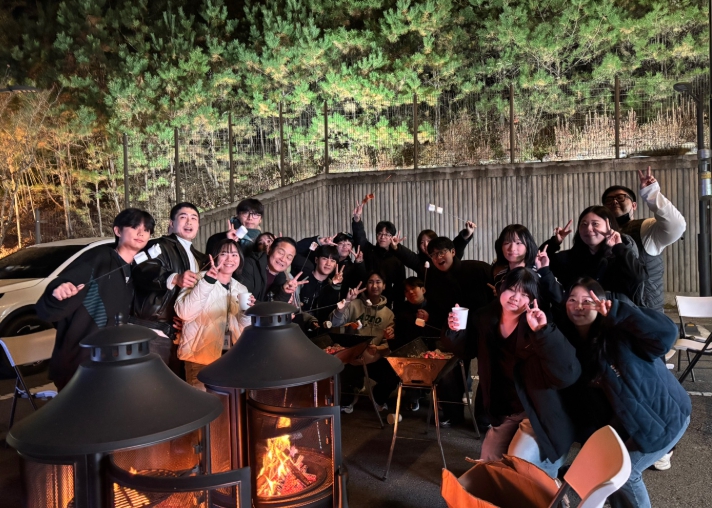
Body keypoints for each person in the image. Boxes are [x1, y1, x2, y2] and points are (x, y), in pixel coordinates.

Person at [556, 278, 690, 507]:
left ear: (601, 302)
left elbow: (667, 334)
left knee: (625, 476)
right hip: (631, 425)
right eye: (572, 300)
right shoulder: (573, 343)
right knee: (609, 474)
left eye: (587, 301)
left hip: (665, 418)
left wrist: (622, 312)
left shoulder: (620, 331)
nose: (579, 306)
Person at [443, 268, 581, 478]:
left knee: (519, 459)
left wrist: (543, 332)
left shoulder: (538, 323)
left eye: (525, 294)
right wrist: (455, 331)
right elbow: (467, 350)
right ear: (501, 289)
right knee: (488, 465)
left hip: (538, 412)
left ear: (532, 300)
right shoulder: (484, 318)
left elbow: (568, 373)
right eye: (512, 289)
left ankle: (549, 482)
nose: (516, 297)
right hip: (506, 411)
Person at [37, 208, 155, 390]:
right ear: (118, 231)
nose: (141, 233)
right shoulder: (99, 258)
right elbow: (59, 295)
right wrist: (58, 291)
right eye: (134, 227)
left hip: (114, 362)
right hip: (81, 363)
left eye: (146, 230)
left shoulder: (138, 271)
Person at [132, 202, 207, 375]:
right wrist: (174, 277)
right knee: (152, 385)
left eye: (194, 218)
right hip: (155, 331)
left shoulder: (199, 257)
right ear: (171, 224)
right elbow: (142, 267)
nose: (189, 222)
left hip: (182, 336)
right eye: (183, 217)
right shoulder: (158, 245)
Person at [602, 167, 686, 311]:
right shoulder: (599, 235)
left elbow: (677, 225)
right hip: (611, 312)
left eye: (620, 197)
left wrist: (652, 194)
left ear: (634, 205)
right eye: (608, 200)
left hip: (645, 314)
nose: (614, 201)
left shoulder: (647, 228)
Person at [174, 238, 252, 390]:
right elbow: (185, 313)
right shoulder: (197, 278)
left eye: (234, 255)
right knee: (203, 402)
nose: (230, 259)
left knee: (229, 404)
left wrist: (247, 312)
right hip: (199, 358)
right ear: (214, 256)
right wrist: (207, 281)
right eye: (224, 253)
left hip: (231, 359)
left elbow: (244, 330)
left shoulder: (241, 288)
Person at [544, 206, 648, 304]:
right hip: (576, 313)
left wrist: (618, 247)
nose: (588, 228)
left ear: (609, 226)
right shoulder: (569, 257)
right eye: (584, 224)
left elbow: (639, 277)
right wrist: (554, 242)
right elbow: (540, 262)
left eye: (595, 224)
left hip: (614, 314)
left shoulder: (621, 255)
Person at [329, 272, 396, 410]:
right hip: (352, 357)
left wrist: (378, 349)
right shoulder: (354, 304)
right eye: (370, 282)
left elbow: (387, 344)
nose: (374, 286)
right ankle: (352, 392)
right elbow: (334, 322)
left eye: (378, 282)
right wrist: (346, 302)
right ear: (366, 285)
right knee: (341, 393)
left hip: (373, 358)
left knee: (393, 377)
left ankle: (376, 396)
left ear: (384, 286)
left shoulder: (389, 314)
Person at [492, 224, 563, 314]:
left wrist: (545, 272)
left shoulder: (540, 274)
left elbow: (561, 301)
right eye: (507, 243)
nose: (512, 248)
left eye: (518, 243)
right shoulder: (500, 276)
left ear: (528, 246)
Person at [351, 198, 405, 308]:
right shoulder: (369, 250)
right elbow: (360, 237)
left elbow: (400, 288)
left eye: (387, 234)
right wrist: (357, 219)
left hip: (386, 303)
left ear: (392, 237)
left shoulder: (397, 258)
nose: (382, 237)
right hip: (364, 300)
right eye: (380, 233)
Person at [389, 223, 476, 282]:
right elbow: (407, 256)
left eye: (429, 241)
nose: (426, 245)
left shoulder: (448, 254)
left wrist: (467, 233)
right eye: (422, 242)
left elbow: (457, 245)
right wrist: (396, 247)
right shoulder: (419, 261)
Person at [238, 237, 306, 302]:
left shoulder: (281, 277)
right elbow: (245, 301)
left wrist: (285, 292)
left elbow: (275, 306)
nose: (283, 259)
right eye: (280, 253)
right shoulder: (250, 265)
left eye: (289, 258)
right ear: (270, 250)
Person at [294, 245, 344, 324]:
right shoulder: (302, 281)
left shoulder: (334, 287)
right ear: (316, 260)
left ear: (335, 265)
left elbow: (331, 314)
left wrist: (335, 286)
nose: (328, 263)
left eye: (332, 260)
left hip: (322, 329)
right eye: (324, 258)